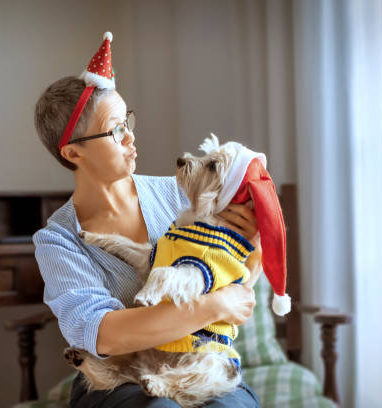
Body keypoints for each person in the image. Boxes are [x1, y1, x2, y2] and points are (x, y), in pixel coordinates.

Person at [32, 32, 261, 407]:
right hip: (117, 380)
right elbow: (104, 335)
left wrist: (250, 248)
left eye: (129, 122)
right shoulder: (58, 240)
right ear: (74, 153)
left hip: (201, 361)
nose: (130, 138)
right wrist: (215, 306)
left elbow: (241, 279)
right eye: (115, 130)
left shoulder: (179, 192)